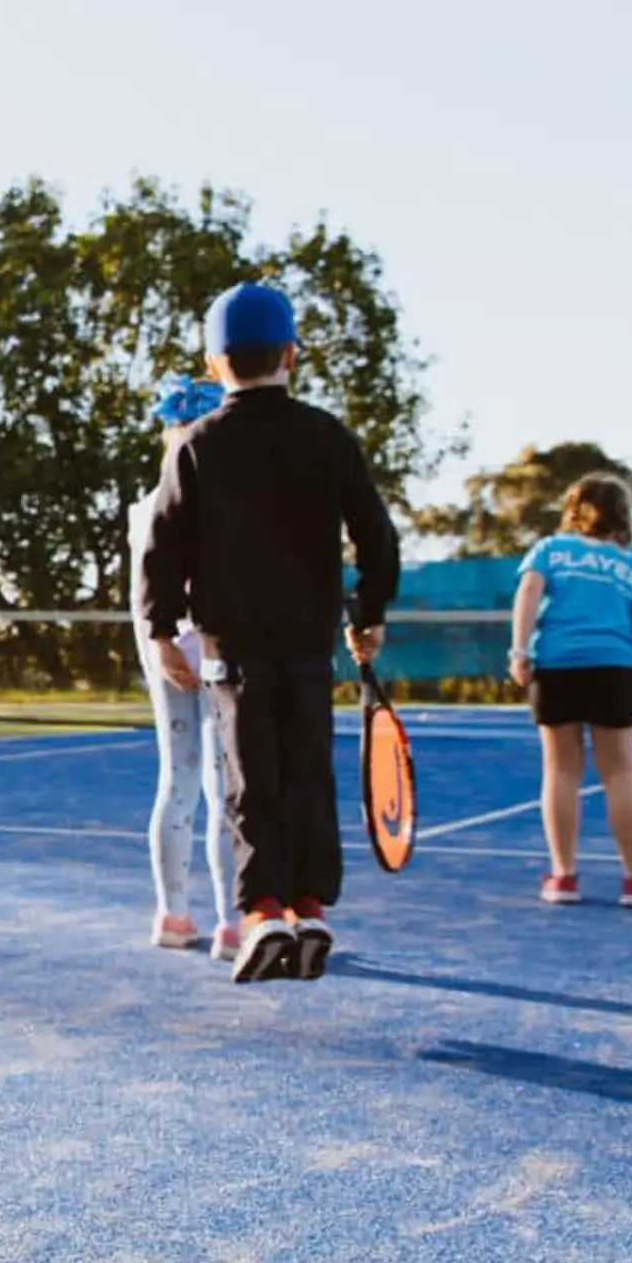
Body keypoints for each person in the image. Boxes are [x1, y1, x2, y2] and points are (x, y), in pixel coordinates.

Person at [138, 282, 400, 984]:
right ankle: (310, 907)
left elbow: (160, 545)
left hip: (234, 652)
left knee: (249, 783)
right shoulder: (327, 436)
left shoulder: (195, 444)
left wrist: (161, 628)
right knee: (308, 774)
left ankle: (262, 913)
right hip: (309, 644)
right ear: (291, 354)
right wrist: (368, 613)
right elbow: (376, 535)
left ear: (214, 362)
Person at [509, 473, 632, 907]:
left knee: (561, 769)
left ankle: (562, 878)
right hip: (613, 667)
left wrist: (518, 651)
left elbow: (528, 592)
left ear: (574, 509)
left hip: (556, 665)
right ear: (622, 516)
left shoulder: (550, 550)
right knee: (620, 771)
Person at [129, 379, 237, 960]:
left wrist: (158, 644)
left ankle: (172, 914)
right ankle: (231, 922)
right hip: (214, 647)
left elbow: (142, 590)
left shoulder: (144, 506)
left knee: (177, 781)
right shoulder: (220, 496)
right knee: (225, 787)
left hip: (165, 650)